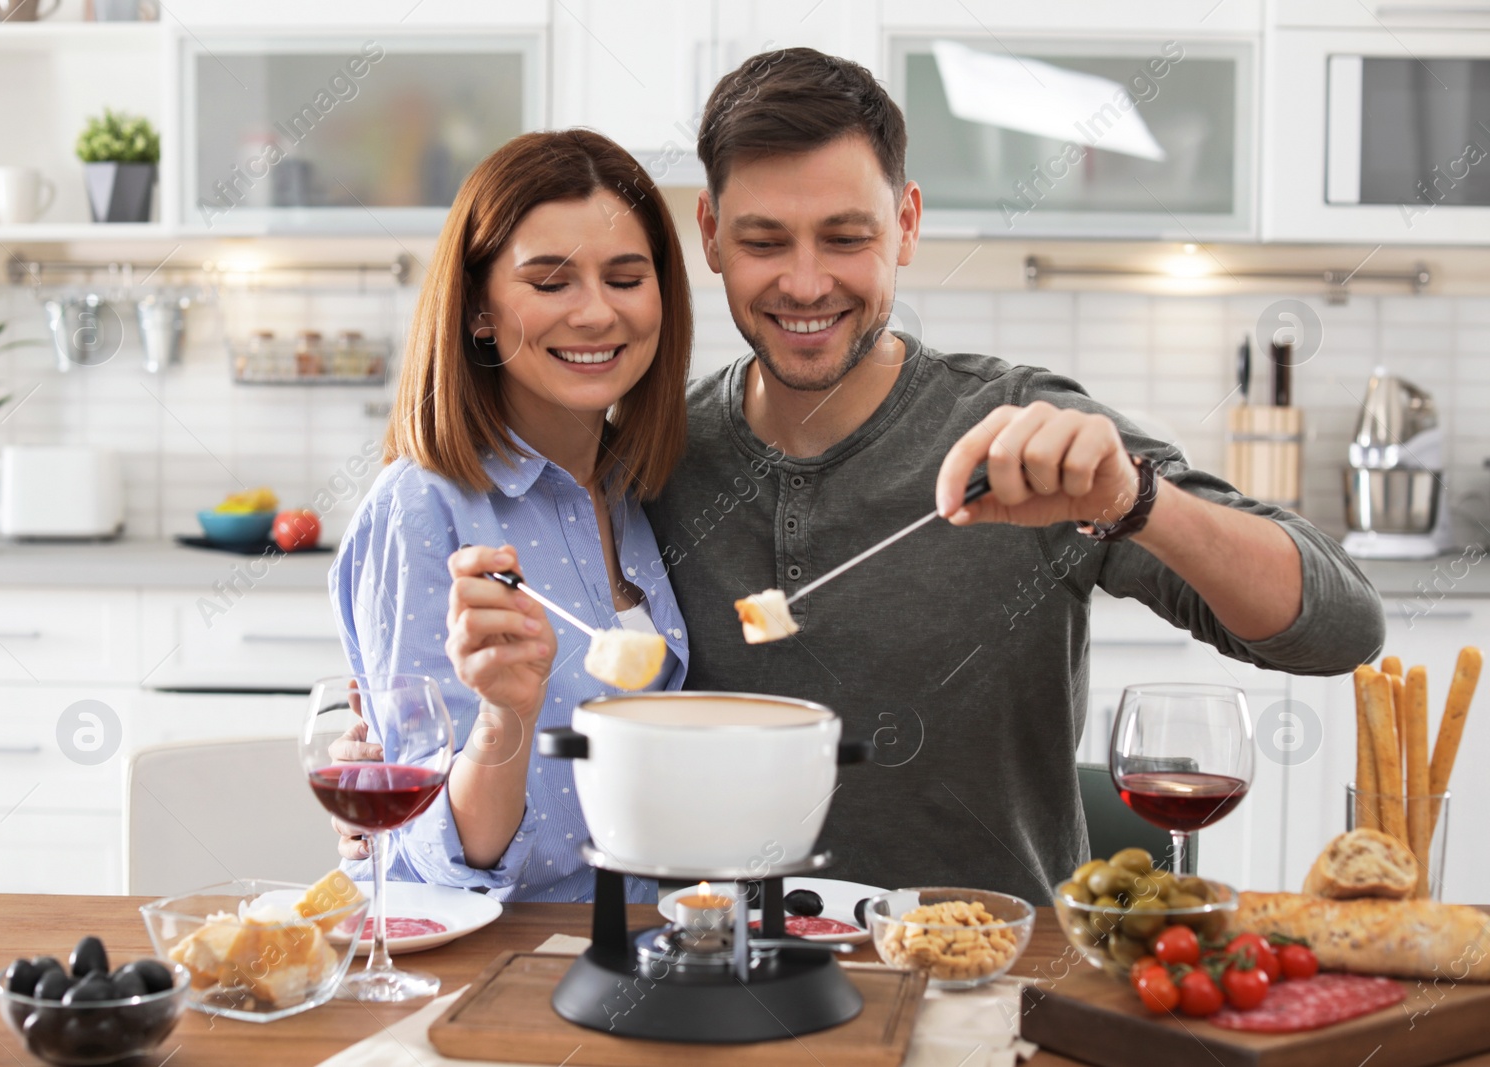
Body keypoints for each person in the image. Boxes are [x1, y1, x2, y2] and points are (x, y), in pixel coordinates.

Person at [643, 48, 1385, 905]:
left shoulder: (1021, 430)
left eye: (847, 238)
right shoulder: (655, 450)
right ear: (708, 236)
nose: (805, 282)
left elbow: (1343, 628)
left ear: (908, 225)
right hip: (719, 982)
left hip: (992, 989)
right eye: (763, 240)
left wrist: (1133, 502)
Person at [328, 129, 694, 903]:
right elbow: (439, 853)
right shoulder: (424, 506)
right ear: (479, 313)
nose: (596, 313)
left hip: (643, 947)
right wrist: (506, 715)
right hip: (501, 967)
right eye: (551, 282)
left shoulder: (636, 488)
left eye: (626, 277)